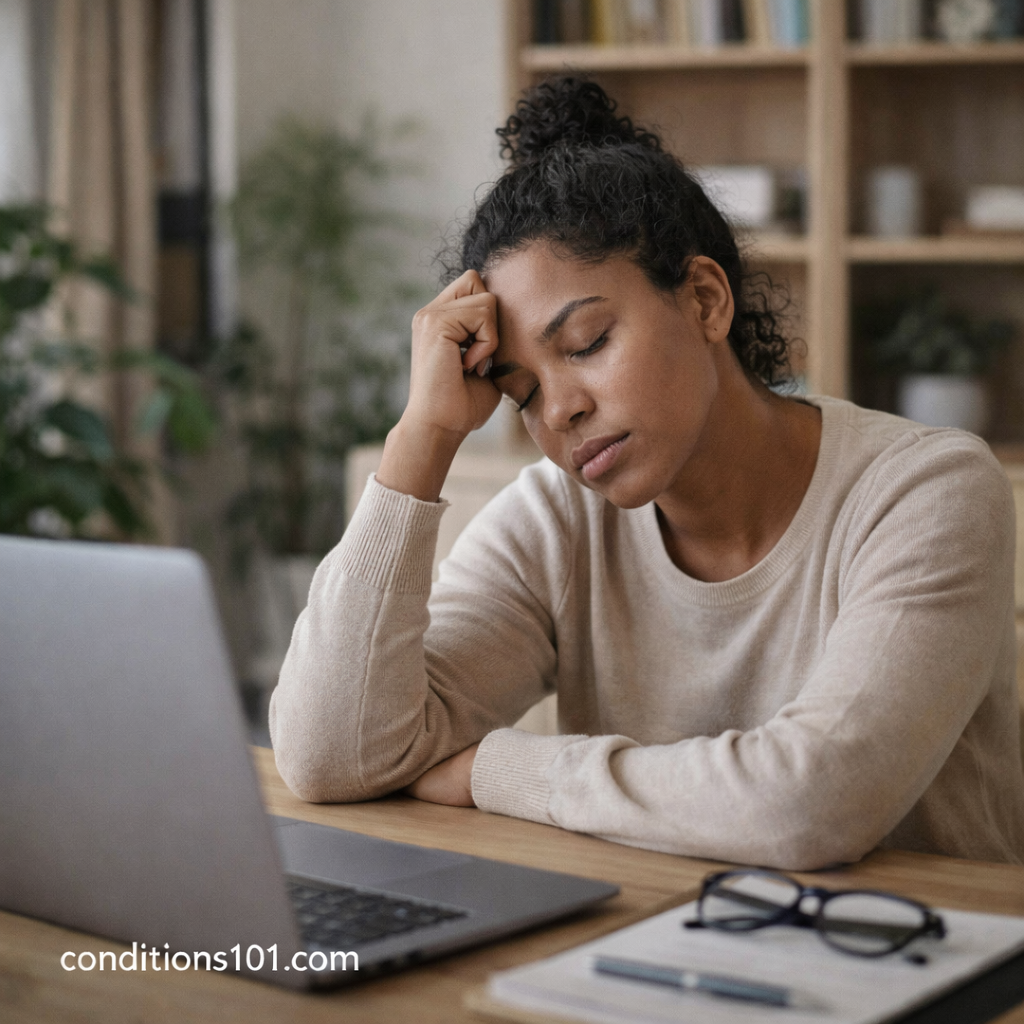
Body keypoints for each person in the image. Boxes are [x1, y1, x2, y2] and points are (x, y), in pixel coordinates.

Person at [269, 76, 1024, 869]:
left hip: (922, 961)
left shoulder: (927, 493)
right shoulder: (557, 521)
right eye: (521, 391)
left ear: (704, 300)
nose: (556, 413)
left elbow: (809, 805)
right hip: (655, 945)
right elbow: (332, 755)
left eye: (588, 343)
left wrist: (503, 769)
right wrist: (420, 437)